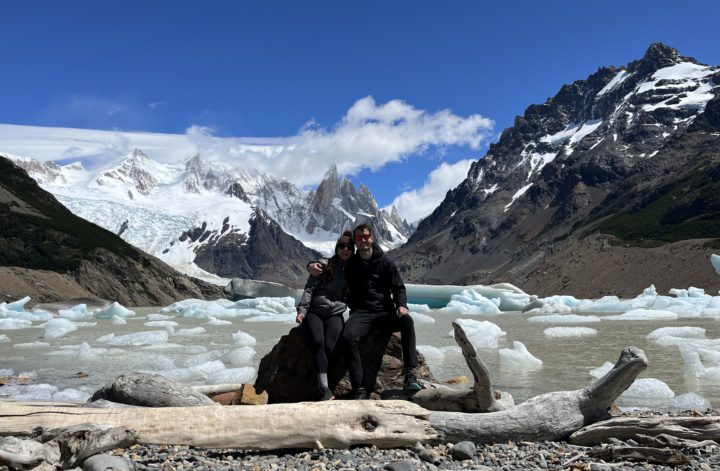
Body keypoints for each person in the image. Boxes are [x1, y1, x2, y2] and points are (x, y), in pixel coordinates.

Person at [311, 223, 422, 399]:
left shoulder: (385, 261)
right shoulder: (352, 262)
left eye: (365, 237)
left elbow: (398, 288)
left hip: (384, 311)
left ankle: (409, 375)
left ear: (371, 238)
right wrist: (312, 264)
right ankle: (359, 389)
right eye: (359, 238)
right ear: (355, 241)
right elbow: (332, 262)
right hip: (361, 313)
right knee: (348, 337)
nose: (363, 240)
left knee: (407, 321)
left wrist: (402, 305)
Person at [296, 231, 354, 400]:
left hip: (335, 313)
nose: (345, 249)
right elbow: (309, 289)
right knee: (318, 342)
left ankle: (322, 382)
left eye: (349, 247)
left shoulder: (354, 269)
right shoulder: (323, 265)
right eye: (342, 246)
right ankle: (324, 388)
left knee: (330, 346)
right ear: (337, 248)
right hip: (316, 311)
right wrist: (302, 311)